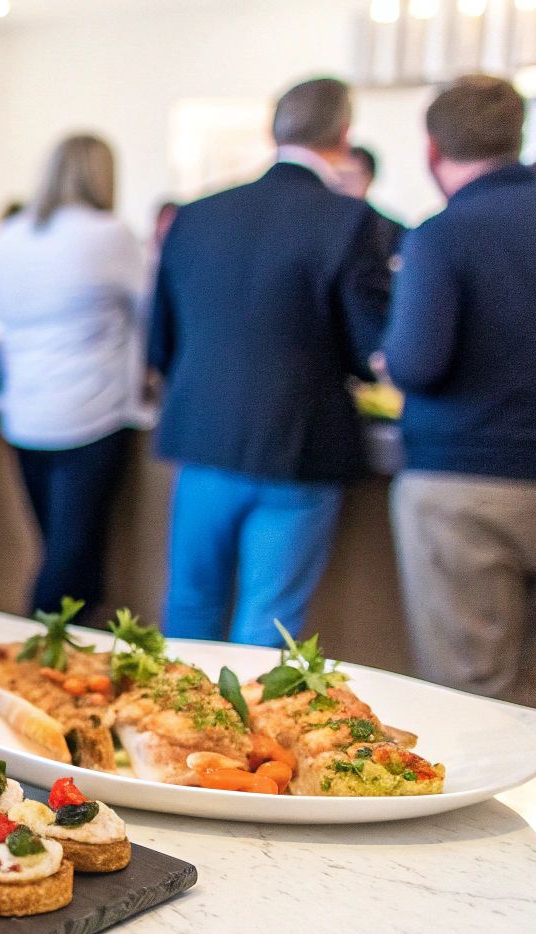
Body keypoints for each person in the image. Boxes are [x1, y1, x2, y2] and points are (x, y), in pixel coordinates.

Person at [148, 77, 395, 645]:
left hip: (203, 440)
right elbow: (369, 347)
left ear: (273, 130)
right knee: (270, 619)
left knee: (188, 605)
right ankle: (244, 734)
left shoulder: (195, 214)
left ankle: (165, 729)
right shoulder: (352, 220)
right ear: (343, 134)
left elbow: (160, 343)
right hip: (297, 446)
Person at [382, 76, 536, 710]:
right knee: (535, 689)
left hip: (464, 486)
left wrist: (388, 359)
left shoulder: (443, 233)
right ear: (516, 139)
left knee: (471, 696)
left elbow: (419, 364)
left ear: (433, 150)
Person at [0, 134, 147, 616]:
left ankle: (76, 662)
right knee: (71, 556)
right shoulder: (109, 234)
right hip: (89, 412)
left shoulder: (11, 235)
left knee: (63, 549)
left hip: (23, 414)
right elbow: (151, 314)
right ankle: (35, 654)